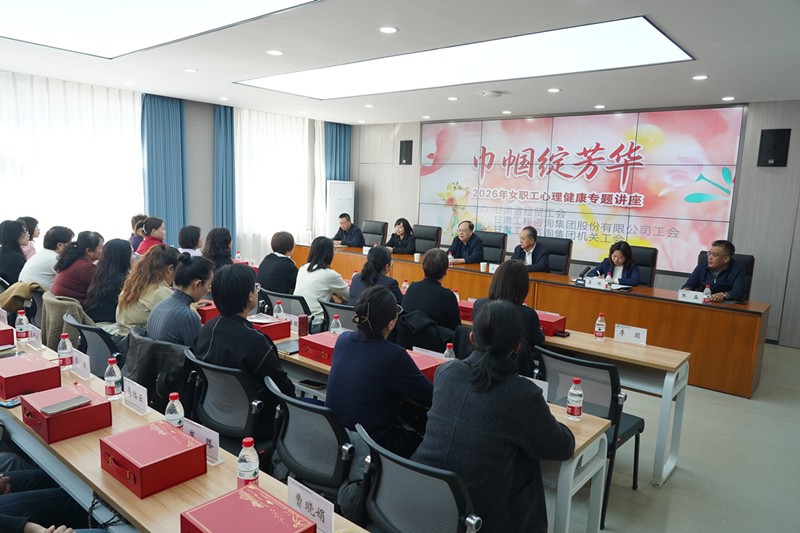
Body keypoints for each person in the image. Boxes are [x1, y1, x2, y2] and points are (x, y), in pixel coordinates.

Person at [412, 299, 575, 533]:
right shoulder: (521, 394)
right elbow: (561, 446)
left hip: (421, 496)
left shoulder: (446, 372)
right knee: (527, 462)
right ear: (517, 347)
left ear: (472, 338)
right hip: (476, 517)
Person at [326, 286, 432, 457]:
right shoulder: (394, 355)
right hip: (371, 447)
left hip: (337, 437)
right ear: (391, 323)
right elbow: (429, 396)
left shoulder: (343, 339)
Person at [193, 264, 295, 438]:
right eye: (255, 287)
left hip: (213, 412)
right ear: (250, 296)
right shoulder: (255, 341)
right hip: (256, 422)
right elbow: (283, 390)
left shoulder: (206, 329)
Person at [473, 260, 544, 377]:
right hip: (514, 373)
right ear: (523, 287)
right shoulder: (528, 314)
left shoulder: (479, 304)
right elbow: (538, 341)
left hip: (478, 368)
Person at [147, 253, 214, 346]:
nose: (207, 290)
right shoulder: (187, 316)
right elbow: (199, 351)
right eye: (209, 285)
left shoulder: (159, 306)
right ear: (197, 285)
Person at [115, 245, 179, 336]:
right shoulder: (160, 292)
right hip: (142, 342)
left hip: (124, 338)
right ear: (170, 269)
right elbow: (191, 317)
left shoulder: (133, 285)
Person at [401, 248, 460, 331]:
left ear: (423, 267)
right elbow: (456, 329)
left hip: (406, 337)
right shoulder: (447, 296)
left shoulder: (412, 287)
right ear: (446, 270)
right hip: (433, 339)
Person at [294, 236, 349, 324]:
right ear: (329, 253)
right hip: (316, 322)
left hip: (296, 319)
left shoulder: (303, 268)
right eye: (334, 249)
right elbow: (350, 295)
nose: (335, 252)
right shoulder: (329, 274)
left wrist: (333, 295)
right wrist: (335, 295)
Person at [84, 239, 133, 327]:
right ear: (125, 256)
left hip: (93, 323)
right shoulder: (123, 280)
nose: (134, 257)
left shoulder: (100, 274)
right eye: (132, 253)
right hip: (109, 325)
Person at [682, 239, 747, 302]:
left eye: (714, 255)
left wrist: (723, 295)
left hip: (724, 305)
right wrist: (686, 289)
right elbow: (690, 284)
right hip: (703, 302)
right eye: (709, 253)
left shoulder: (738, 269)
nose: (709, 257)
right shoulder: (703, 264)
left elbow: (739, 292)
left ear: (726, 259)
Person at [51, 231, 104, 305]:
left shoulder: (73, 261)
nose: (104, 251)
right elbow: (103, 290)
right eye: (101, 247)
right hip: (77, 309)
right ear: (88, 251)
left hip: (64, 307)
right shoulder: (86, 268)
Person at [18, 226, 74, 291]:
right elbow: (70, 281)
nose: (71, 247)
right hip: (40, 295)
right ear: (60, 245)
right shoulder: (55, 259)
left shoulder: (39, 255)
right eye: (70, 244)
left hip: (25, 294)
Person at [0, 220, 30, 285]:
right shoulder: (14, 258)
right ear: (14, 235)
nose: (28, 235)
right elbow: (21, 282)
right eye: (24, 232)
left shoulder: (4, 253)